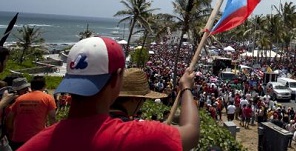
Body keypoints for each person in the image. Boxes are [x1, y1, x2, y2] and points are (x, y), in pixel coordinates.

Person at [19, 36, 199, 151]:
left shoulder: (36, 144)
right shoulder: (140, 135)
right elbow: (190, 132)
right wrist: (186, 88)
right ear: (117, 80)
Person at [7, 76, 56, 150]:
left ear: (31, 86)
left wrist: (10, 129)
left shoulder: (19, 99)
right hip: (36, 138)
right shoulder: (48, 98)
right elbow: (52, 117)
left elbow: (10, 116)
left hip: (18, 138)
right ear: (44, 86)